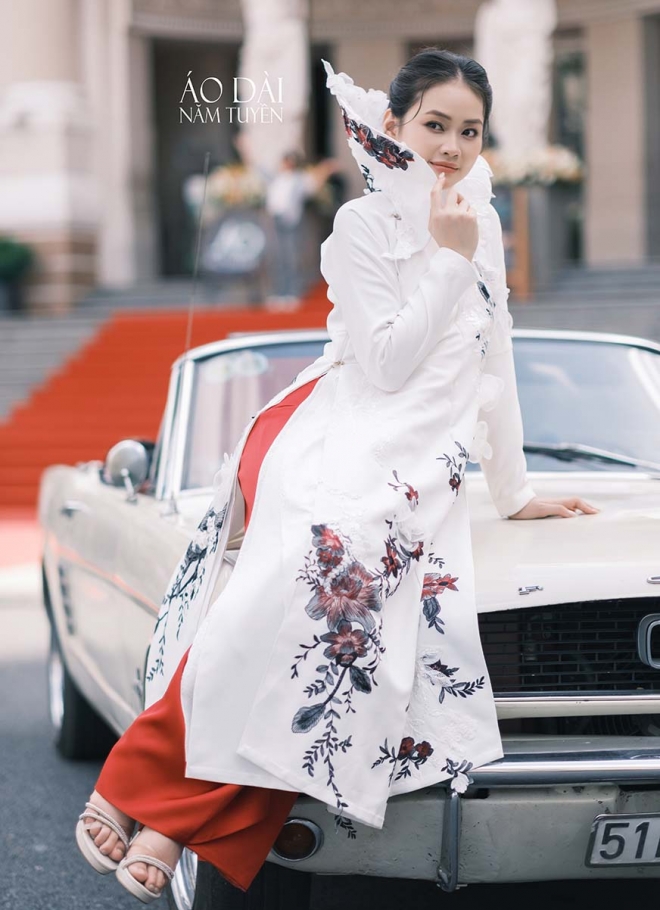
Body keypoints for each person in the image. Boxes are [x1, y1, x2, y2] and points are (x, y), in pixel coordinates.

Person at [75, 49, 600, 903]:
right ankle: (140, 783)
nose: (452, 147)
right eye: (435, 125)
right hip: (333, 431)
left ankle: (168, 820)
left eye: (470, 131)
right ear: (393, 126)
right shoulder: (359, 225)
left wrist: (515, 492)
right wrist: (448, 260)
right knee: (312, 584)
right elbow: (386, 364)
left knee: (353, 637)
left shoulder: (481, 220)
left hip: (425, 453)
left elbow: (493, 356)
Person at [264, 150, 341, 310]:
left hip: (290, 221)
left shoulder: (299, 179)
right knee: (278, 258)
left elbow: (313, 184)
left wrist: (325, 169)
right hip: (277, 220)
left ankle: (292, 292)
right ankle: (280, 293)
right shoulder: (277, 179)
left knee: (290, 257)